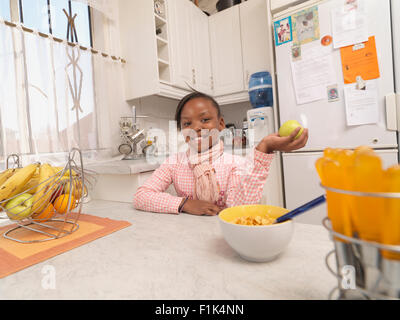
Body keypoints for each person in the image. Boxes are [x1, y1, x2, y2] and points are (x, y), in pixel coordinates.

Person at [134, 92, 308, 216]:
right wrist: (185, 204)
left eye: (205, 120)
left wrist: (265, 147)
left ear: (221, 124)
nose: (196, 127)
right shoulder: (174, 163)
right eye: (187, 123)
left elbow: (239, 209)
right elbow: (141, 196)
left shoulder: (234, 163)